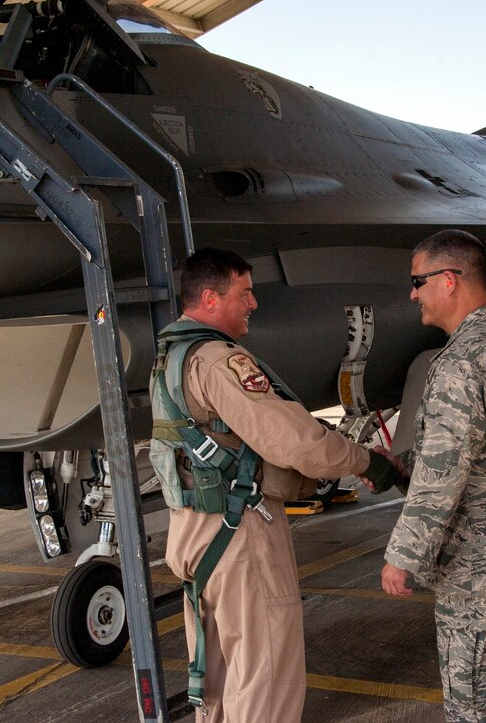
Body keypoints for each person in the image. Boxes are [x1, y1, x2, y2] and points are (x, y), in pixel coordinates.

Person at [153, 248, 400, 722]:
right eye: (244, 294)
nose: (253, 304)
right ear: (210, 298)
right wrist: (368, 460)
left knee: (219, 681)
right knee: (266, 679)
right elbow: (296, 444)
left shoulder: (172, 355)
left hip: (193, 530)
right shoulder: (217, 359)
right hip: (238, 534)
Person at [366, 229, 486, 722]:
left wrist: (403, 556)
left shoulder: (461, 362)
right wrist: (401, 467)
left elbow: (445, 474)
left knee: (477, 709)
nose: (412, 293)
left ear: (448, 280)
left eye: (418, 281)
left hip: (483, 577)